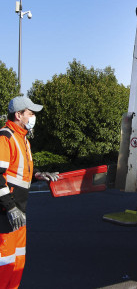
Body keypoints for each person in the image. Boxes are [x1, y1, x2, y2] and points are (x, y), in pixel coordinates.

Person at [0, 96, 59, 289]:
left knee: (17, 262)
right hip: (6, 213)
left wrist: (39, 175)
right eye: (31, 113)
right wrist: (10, 208)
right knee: (5, 264)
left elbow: (19, 173)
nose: (33, 117)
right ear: (19, 115)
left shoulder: (23, 139)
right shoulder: (5, 136)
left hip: (19, 211)